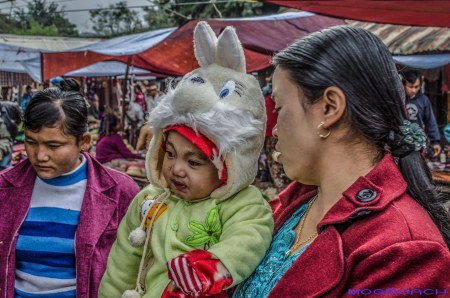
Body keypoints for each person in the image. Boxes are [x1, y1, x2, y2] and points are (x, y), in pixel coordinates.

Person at [232, 25, 450, 298]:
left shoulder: (405, 249)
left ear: (329, 108)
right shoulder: (300, 200)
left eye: (279, 107)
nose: (274, 129)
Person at [99, 22, 274, 298]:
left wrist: (208, 269)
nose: (176, 169)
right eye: (170, 154)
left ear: (228, 167)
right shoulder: (149, 200)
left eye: (194, 162)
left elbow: (248, 239)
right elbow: (122, 263)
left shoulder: (242, 204)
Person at [0, 78, 140, 297]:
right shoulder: (4, 188)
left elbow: (135, 262)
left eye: (53, 145)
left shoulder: (121, 191)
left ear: (84, 141)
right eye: (31, 142)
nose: (40, 155)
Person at [402, 69, 441, 157]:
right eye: (411, 87)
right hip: (401, 141)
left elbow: (430, 121)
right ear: (403, 85)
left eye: (416, 87)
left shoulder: (423, 100)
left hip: (418, 141)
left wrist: (435, 141)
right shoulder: (398, 100)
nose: (414, 90)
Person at [0, 100, 22, 171]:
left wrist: (15, 124)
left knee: (5, 165)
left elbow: (5, 138)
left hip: (10, 134)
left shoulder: (11, 106)